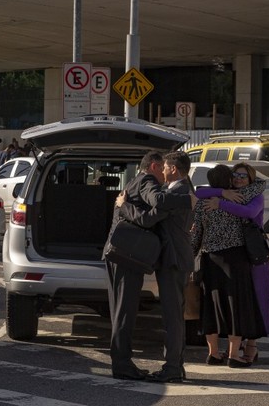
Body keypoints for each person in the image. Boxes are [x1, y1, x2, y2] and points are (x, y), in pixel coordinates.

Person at [114, 150, 198, 383]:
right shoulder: (177, 189)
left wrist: (124, 205)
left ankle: (172, 368)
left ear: (173, 169)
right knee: (173, 315)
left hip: (173, 259)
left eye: (164, 168)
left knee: (172, 316)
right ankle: (175, 366)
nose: (160, 171)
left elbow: (148, 217)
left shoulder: (179, 191)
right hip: (173, 258)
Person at [104, 150, 179, 380]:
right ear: (155, 166)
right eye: (164, 167)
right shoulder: (147, 181)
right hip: (127, 256)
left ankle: (122, 363)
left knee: (121, 311)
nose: (165, 174)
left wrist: (125, 206)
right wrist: (177, 202)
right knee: (124, 312)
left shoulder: (134, 181)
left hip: (121, 253)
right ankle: (122, 365)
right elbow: (149, 216)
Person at [191, 163, 267, 367]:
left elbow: (196, 234)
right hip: (235, 258)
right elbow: (254, 203)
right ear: (228, 180)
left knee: (211, 306)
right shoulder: (239, 199)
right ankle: (234, 355)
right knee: (236, 306)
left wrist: (189, 257)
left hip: (209, 258)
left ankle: (213, 353)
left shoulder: (203, 202)